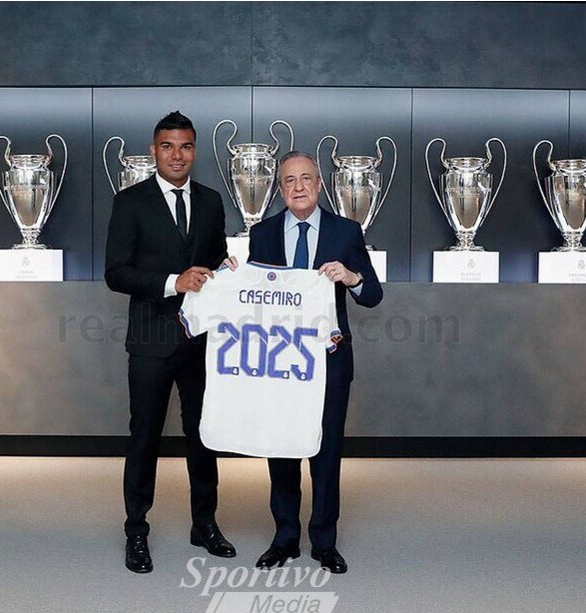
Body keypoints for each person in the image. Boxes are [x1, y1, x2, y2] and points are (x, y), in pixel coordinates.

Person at [104, 111, 238, 574]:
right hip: (150, 341)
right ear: (153, 151)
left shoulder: (212, 201)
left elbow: (215, 260)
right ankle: (136, 530)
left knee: (204, 436)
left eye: (185, 146)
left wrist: (230, 270)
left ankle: (205, 524)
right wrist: (171, 282)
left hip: (201, 341)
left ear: (194, 151)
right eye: (167, 146)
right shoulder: (130, 202)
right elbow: (116, 273)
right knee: (144, 437)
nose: (176, 155)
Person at [246, 150, 383, 574]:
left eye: (306, 178)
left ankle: (324, 541)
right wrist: (230, 275)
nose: (299, 187)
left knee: (326, 452)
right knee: (282, 449)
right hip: (279, 361)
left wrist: (352, 277)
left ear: (320, 184)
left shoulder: (346, 231)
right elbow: (251, 295)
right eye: (289, 180)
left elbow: (373, 294)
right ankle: (285, 537)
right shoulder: (263, 233)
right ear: (280, 189)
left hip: (329, 360)